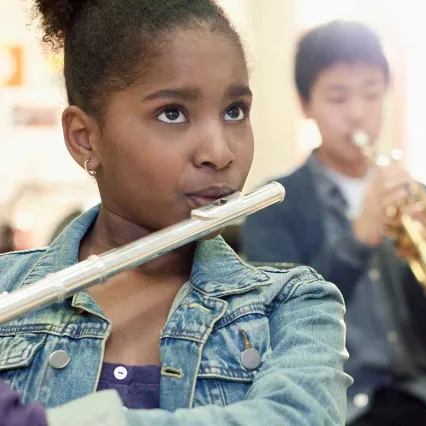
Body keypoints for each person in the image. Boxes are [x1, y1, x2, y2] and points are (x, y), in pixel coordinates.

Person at [0, 2, 351, 425]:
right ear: (84, 139)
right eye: (173, 113)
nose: (219, 153)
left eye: (234, 111)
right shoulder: (7, 289)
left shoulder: (292, 304)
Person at [242, 20, 426, 426]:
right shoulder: (274, 203)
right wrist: (360, 237)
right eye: (338, 97)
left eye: (371, 94)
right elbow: (283, 326)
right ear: (305, 104)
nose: (358, 113)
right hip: (338, 405)